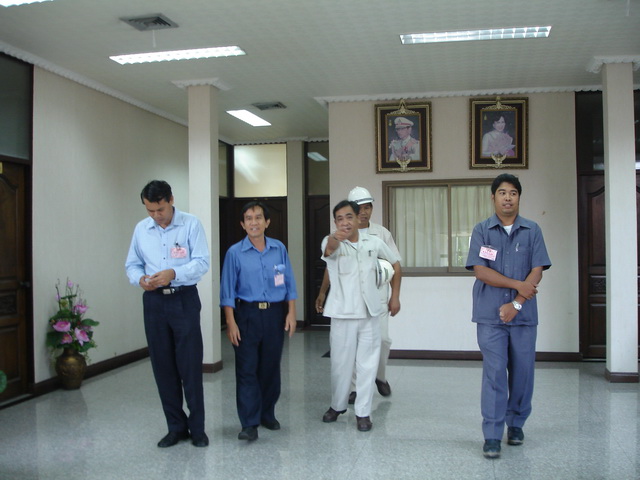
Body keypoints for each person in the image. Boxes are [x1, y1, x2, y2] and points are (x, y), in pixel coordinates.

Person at [465, 173, 551, 459]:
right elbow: (481, 271)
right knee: (494, 374)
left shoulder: (532, 230)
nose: (508, 198)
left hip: (523, 316)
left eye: (513, 193)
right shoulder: (482, 231)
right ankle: (492, 434)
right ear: (493, 197)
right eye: (502, 192)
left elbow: (537, 269)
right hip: (490, 316)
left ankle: (515, 425)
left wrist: (516, 303)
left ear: (519, 197)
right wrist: (518, 286)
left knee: (523, 373)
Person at [125, 180, 210, 448]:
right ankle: (175, 427)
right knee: (162, 366)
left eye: (160, 209)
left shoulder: (191, 224)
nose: (156, 216)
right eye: (150, 210)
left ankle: (197, 429)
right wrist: (140, 279)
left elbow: (202, 262)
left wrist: (174, 273)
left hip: (183, 299)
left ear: (171, 200)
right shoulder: (141, 229)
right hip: (154, 303)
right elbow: (132, 264)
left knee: (190, 366)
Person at [315, 186, 402, 404]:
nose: (364, 212)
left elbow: (395, 264)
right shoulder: (337, 236)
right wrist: (323, 292)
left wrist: (395, 296)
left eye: (367, 207)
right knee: (350, 349)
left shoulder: (381, 234)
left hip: (377, 298)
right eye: (359, 208)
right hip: (348, 302)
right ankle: (353, 390)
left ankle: (379, 376)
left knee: (382, 341)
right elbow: (330, 263)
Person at [220, 200, 297, 442]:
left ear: (267, 222)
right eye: (249, 218)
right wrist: (231, 322)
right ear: (243, 224)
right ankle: (249, 423)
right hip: (247, 315)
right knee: (247, 369)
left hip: (274, 314)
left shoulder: (278, 248)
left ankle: (267, 413)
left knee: (270, 368)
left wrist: (291, 312)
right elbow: (227, 291)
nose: (254, 222)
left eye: (258, 217)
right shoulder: (234, 253)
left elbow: (288, 282)